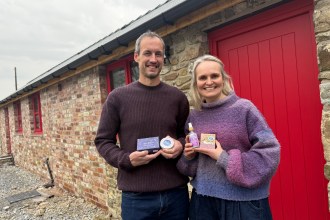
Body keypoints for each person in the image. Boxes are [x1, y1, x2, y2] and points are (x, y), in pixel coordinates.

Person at [94, 31, 190, 220]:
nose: (153, 59)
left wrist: (179, 144)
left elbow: (185, 135)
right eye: (147, 53)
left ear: (163, 57)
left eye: (158, 54)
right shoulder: (118, 98)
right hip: (136, 199)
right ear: (136, 56)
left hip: (176, 195)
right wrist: (126, 159)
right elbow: (103, 141)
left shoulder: (177, 97)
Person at [177, 54, 280, 220]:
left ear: (223, 79)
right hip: (203, 202)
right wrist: (188, 157)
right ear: (195, 84)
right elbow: (188, 167)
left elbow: (270, 152)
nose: (209, 82)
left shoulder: (244, 109)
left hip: (244, 203)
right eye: (203, 77)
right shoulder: (194, 116)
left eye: (214, 76)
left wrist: (223, 157)